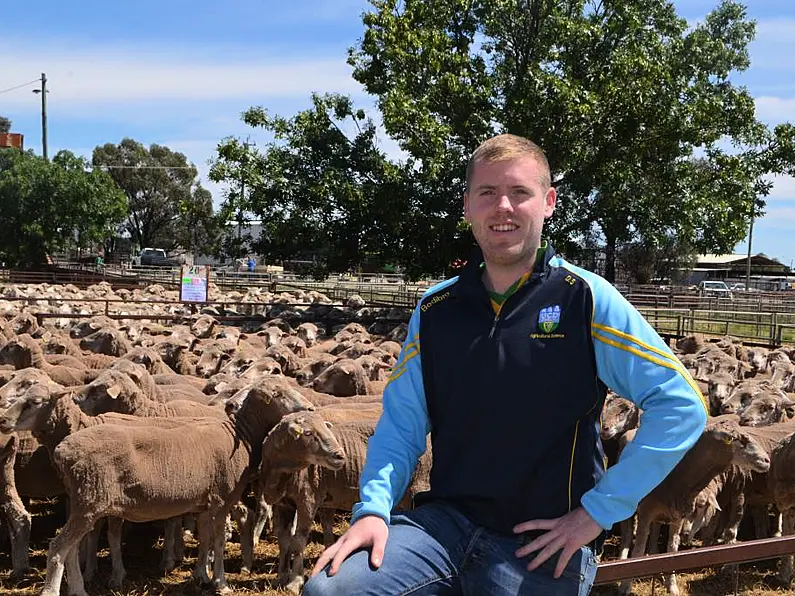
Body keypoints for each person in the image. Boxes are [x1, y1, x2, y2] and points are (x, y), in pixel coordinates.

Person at [303, 134, 708, 596]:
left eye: (520, 193)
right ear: (467, 206)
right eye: (487, 193)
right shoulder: (436, 310)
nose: (503, 207)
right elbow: (401, 425)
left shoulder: (586, 300)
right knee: (330, 591)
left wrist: (597, 512)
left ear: (549, 202)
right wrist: (373, 510)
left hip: (543, 540)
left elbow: (682, 406)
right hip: (443, 526)